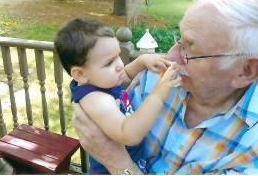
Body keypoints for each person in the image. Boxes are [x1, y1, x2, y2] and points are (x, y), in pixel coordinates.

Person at [72, 0, 258, 174]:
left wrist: (117, 164)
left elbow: (109, 151)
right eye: (179, 39)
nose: (170, 57)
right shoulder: (154, 78)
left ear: (246, 70)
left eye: (189, 49)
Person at [54, 18, 184, 174]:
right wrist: (159, 93)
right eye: (109, 63)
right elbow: (128, 134)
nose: (119, 65)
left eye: (118, 56)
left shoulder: (100, 81)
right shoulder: (95, 99)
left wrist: (141, 61)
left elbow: (126, 74)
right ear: (80, 74)